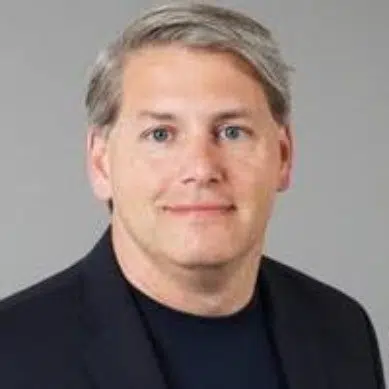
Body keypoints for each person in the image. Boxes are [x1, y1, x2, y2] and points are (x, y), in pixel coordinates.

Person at [0, 3, 385, 389]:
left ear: (283, 156)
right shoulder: (11, 353)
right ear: (101, 164)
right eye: (161, 134)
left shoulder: (342, 330)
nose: (201, 168)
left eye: (232, 131)